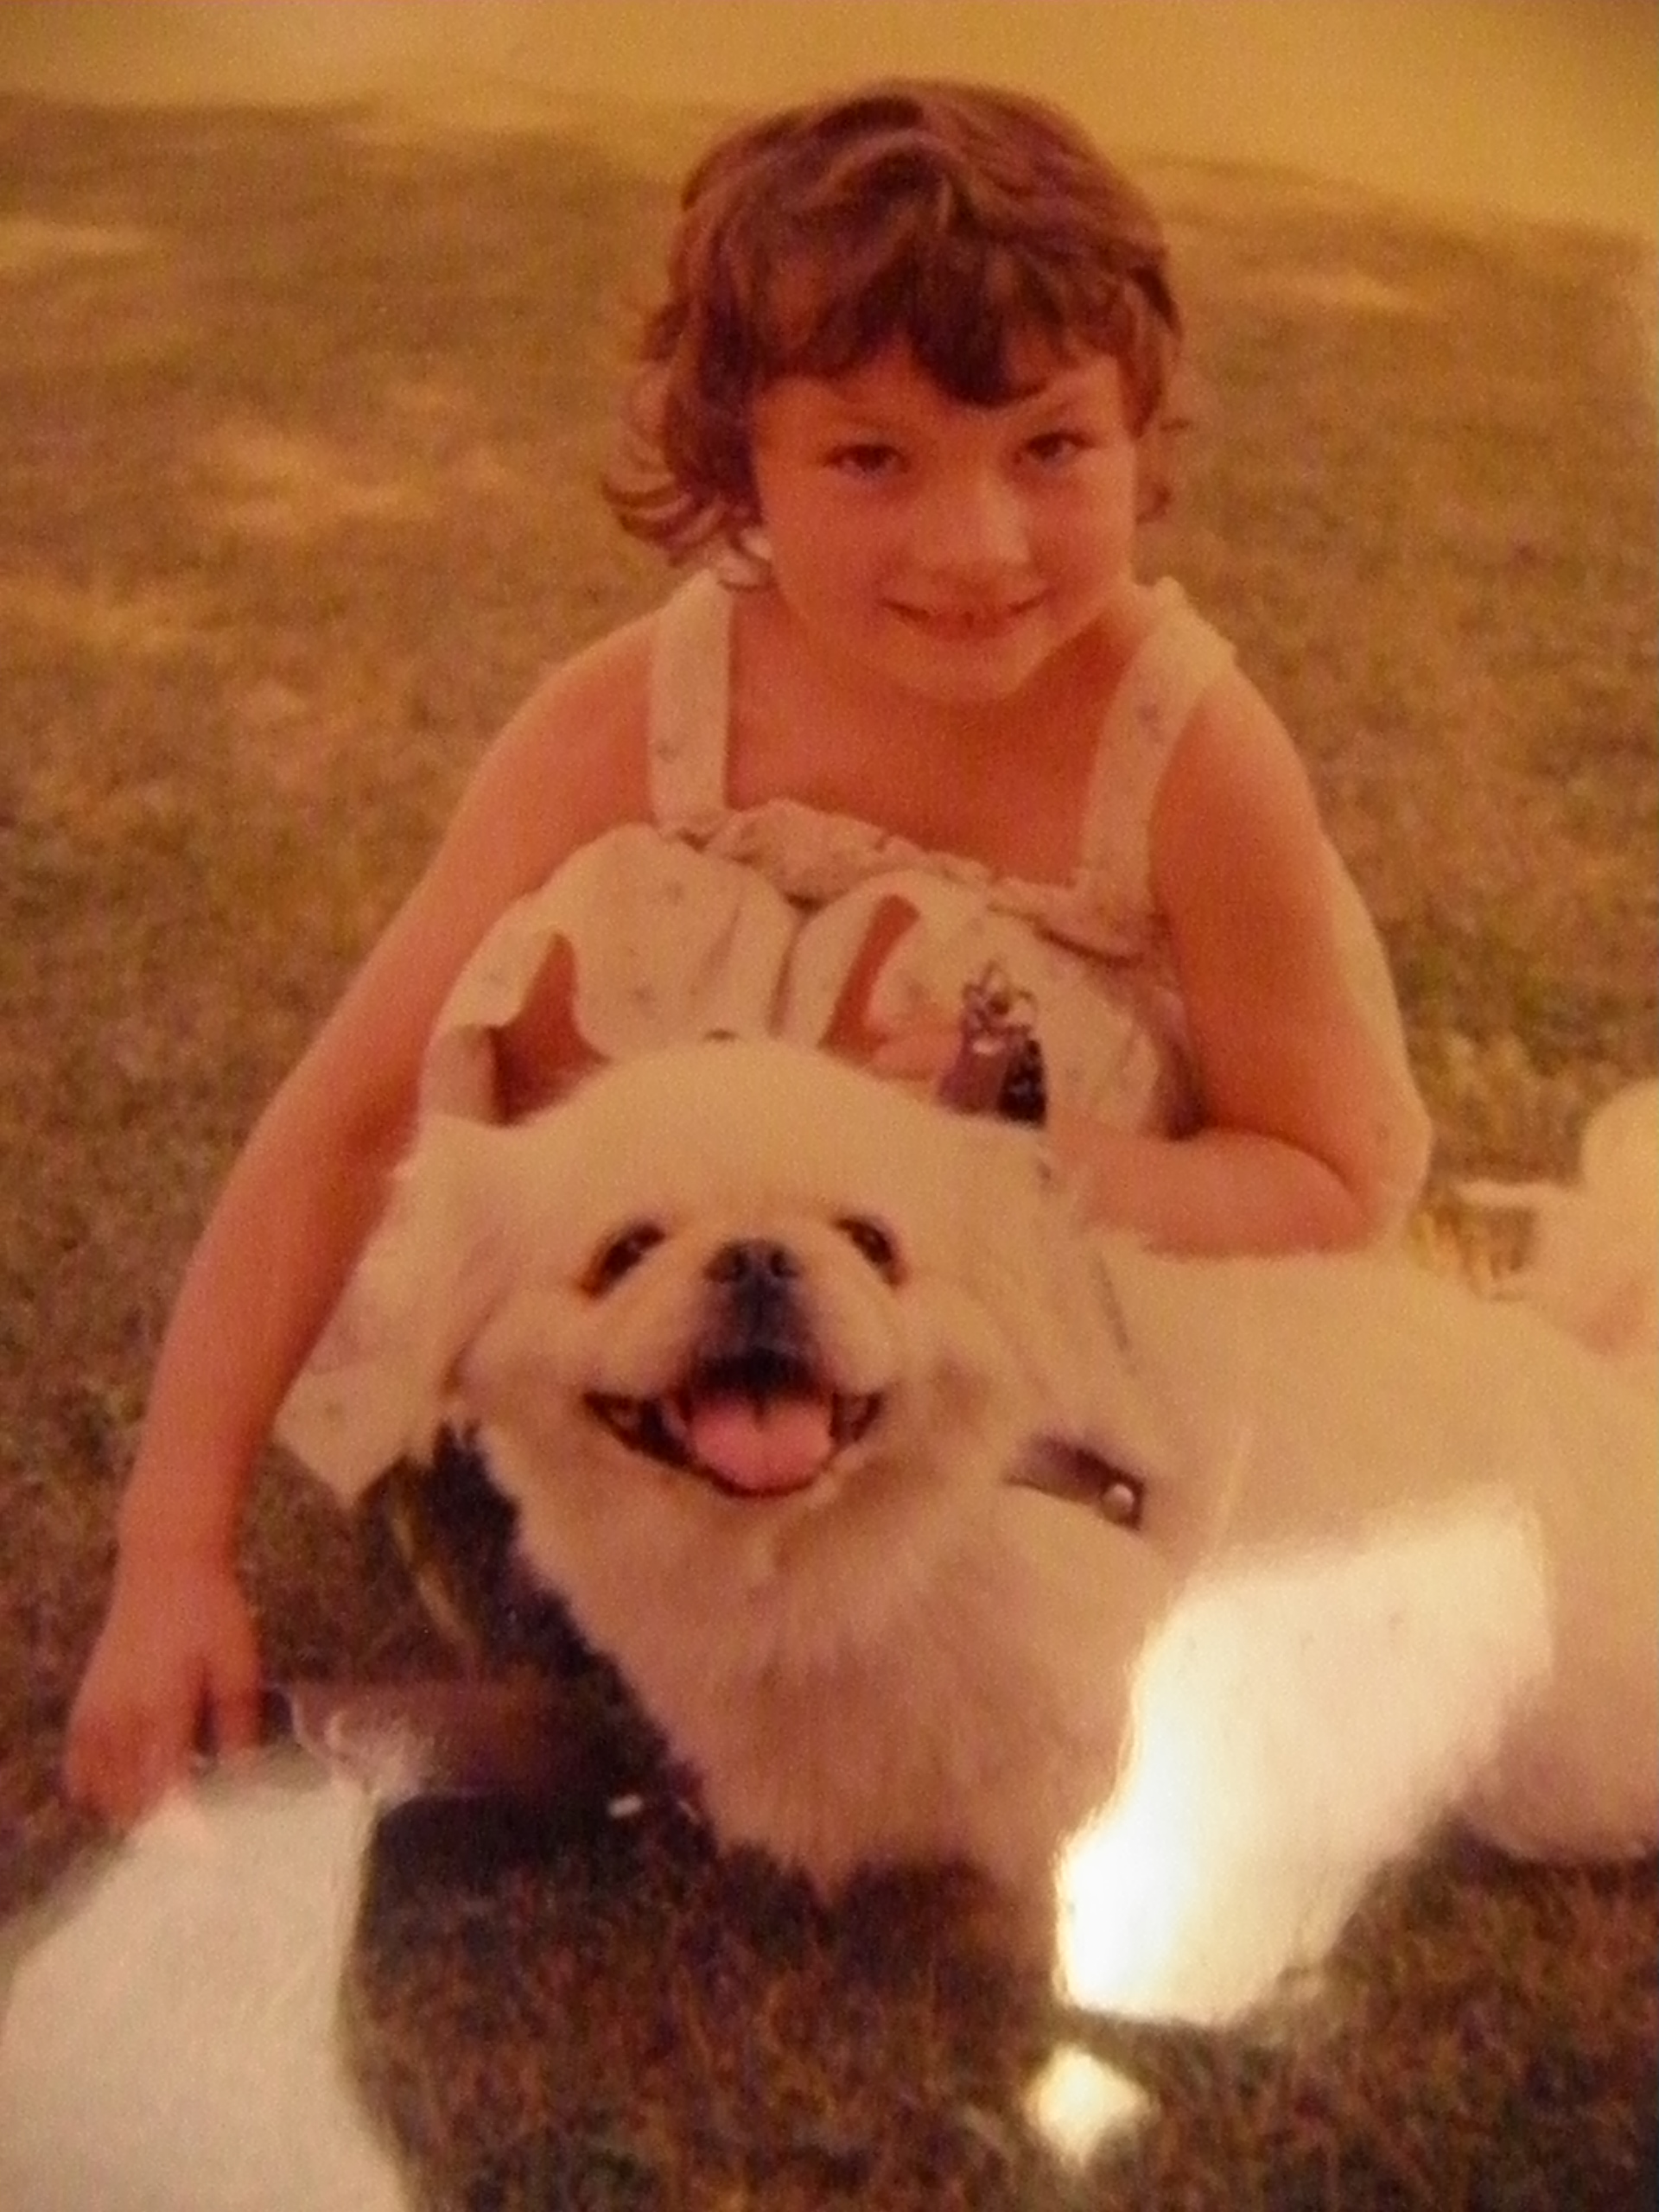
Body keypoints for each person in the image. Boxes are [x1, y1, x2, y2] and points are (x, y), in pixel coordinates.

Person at [65, 79, 1432, 1825]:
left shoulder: (1186, 753)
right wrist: (172, 1549)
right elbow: (348, 1122)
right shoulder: (635, 716)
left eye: (1051, 449)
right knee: (589, 992)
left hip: (1019, 1392)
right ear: (741, 467)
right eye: (872, 459)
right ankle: (605, 1641)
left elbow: (1326, 1179)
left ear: (1141, 432)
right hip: (654, 1386)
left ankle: (650, 1734)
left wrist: (1012, 1155)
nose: (977, 544)